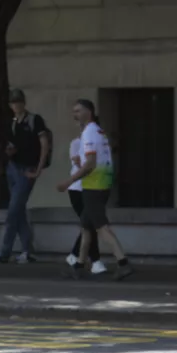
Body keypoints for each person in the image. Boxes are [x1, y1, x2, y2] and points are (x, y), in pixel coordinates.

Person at [56, 99, 133, 281]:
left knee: (101, 228)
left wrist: (69, 181)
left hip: (94, 186)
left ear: (89, 112)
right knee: (86, 227)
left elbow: (90, 164)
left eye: (78, 111)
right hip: (100, 184)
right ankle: (79, 265)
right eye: (74, 111)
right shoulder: (98, 131)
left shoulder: (90, 132)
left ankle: (123, 262)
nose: (75, 115)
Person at [0, 89, 49, 264]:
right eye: (13, 103)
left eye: (18, 102)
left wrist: (38, 169)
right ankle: (27, 250)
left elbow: (44, 144)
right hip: (13, 167)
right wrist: (10, 152)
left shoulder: (34, 120)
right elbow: (14, 144)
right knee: (18, 210)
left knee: (13, 211)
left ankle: (4, 252)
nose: (16, 105)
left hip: (27, 169)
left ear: (23, 102)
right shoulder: (13, 123)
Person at [64, 136, 106, 274]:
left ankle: (76, 255)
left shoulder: (98, 144)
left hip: (91, 189)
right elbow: (80, 164)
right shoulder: (76, 143)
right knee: (90, 224)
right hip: (77, 190)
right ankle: (95, 260)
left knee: (89, 224)